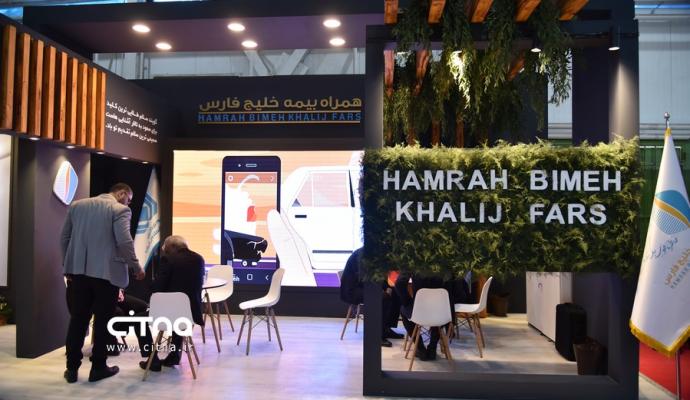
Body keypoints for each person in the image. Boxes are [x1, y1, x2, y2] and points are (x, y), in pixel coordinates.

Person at [61, 183, 145, 383]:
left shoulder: (77, 206)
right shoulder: (120, 209)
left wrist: (67, 266)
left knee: (78, 320)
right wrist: (136, 266)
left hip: (78, 273)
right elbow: (124, 241)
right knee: (103, 322)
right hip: (107, 276)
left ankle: (71, 369)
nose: (128, 203)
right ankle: (98, 368)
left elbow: (64, 237)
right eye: (129, 199)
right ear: (122, 193)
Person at [139, 235, 205, 372]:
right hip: (191, 313)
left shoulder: (169, 259)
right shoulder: (199, 259)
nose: (165, 251)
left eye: (167, 249)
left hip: (170, 313)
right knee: (178, 312)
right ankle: (174, 356)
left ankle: (153, 359)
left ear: (173, 247)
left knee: (138, 320)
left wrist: (150, 286)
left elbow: (158, 287)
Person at [339, 247, 403, 347]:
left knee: (395, 293)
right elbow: (366, 278)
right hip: (353, 290)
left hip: (362, 287)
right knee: (382, 298)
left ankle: (386, 328)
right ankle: (376, 335)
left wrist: (387, 287)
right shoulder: (363, 255)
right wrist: (382, 291)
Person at [394, 273, 465, 361]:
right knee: (437, 312)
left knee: (403, 309)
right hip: (442, 312)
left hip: (419, 311)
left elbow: (399, 283)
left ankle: (420, 348)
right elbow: (459, 293)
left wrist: (408, 301)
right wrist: (447, 301)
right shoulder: (448, 266)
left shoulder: (414, 265)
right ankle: (432, 348)